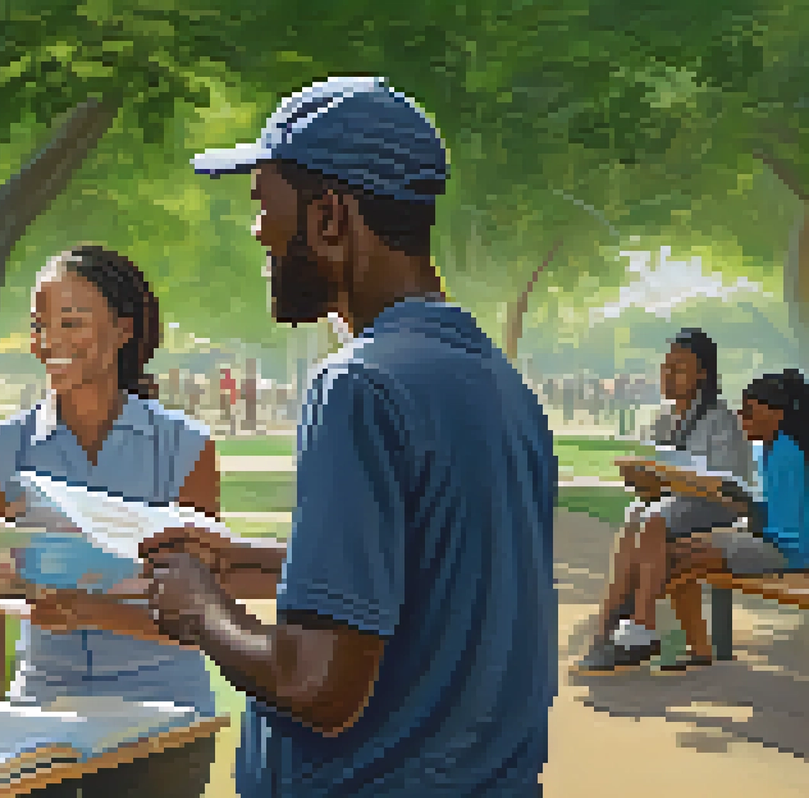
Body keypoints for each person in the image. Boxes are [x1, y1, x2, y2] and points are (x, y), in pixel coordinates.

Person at [139, 76, 558, 797]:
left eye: (263, 207)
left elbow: (320, 687)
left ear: (330, 217)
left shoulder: (358, 385)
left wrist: (203, 608)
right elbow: (445, 575)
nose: (258, 233)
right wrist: (264, 561)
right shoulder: (497, 383)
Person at [0, 244, 223, 798]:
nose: (49, 340)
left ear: (123, 330)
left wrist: (89, 610)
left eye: (70, 322)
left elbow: (205, 614)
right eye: (39, 325)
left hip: (164, 719)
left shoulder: (185, 448)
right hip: (42, 722)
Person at [574, 329, 755, 673]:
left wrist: (673, 483)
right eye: (666, 368)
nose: (668, 377)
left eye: (679, 369)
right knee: (635, 517)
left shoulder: (721, 420)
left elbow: (726, 487)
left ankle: (641, 626)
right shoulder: (664, 420)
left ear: (702, 374)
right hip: (679, 505)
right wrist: (641, 479)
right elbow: (656, 490)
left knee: (655, 520)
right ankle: (607, 630)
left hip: (720, 508)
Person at [664, 370, 809, 666]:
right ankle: (690, 645)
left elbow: (791, 533)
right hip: (772, 541)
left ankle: (679, 643)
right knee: (675, 548)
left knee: (677, 557)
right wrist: (744, 509)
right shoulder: (769, 449)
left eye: (750, 412)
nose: (742, 419)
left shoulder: (788, 454)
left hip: (789, 554)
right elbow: (776, 511)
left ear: (776, 413)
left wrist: (746, 519)